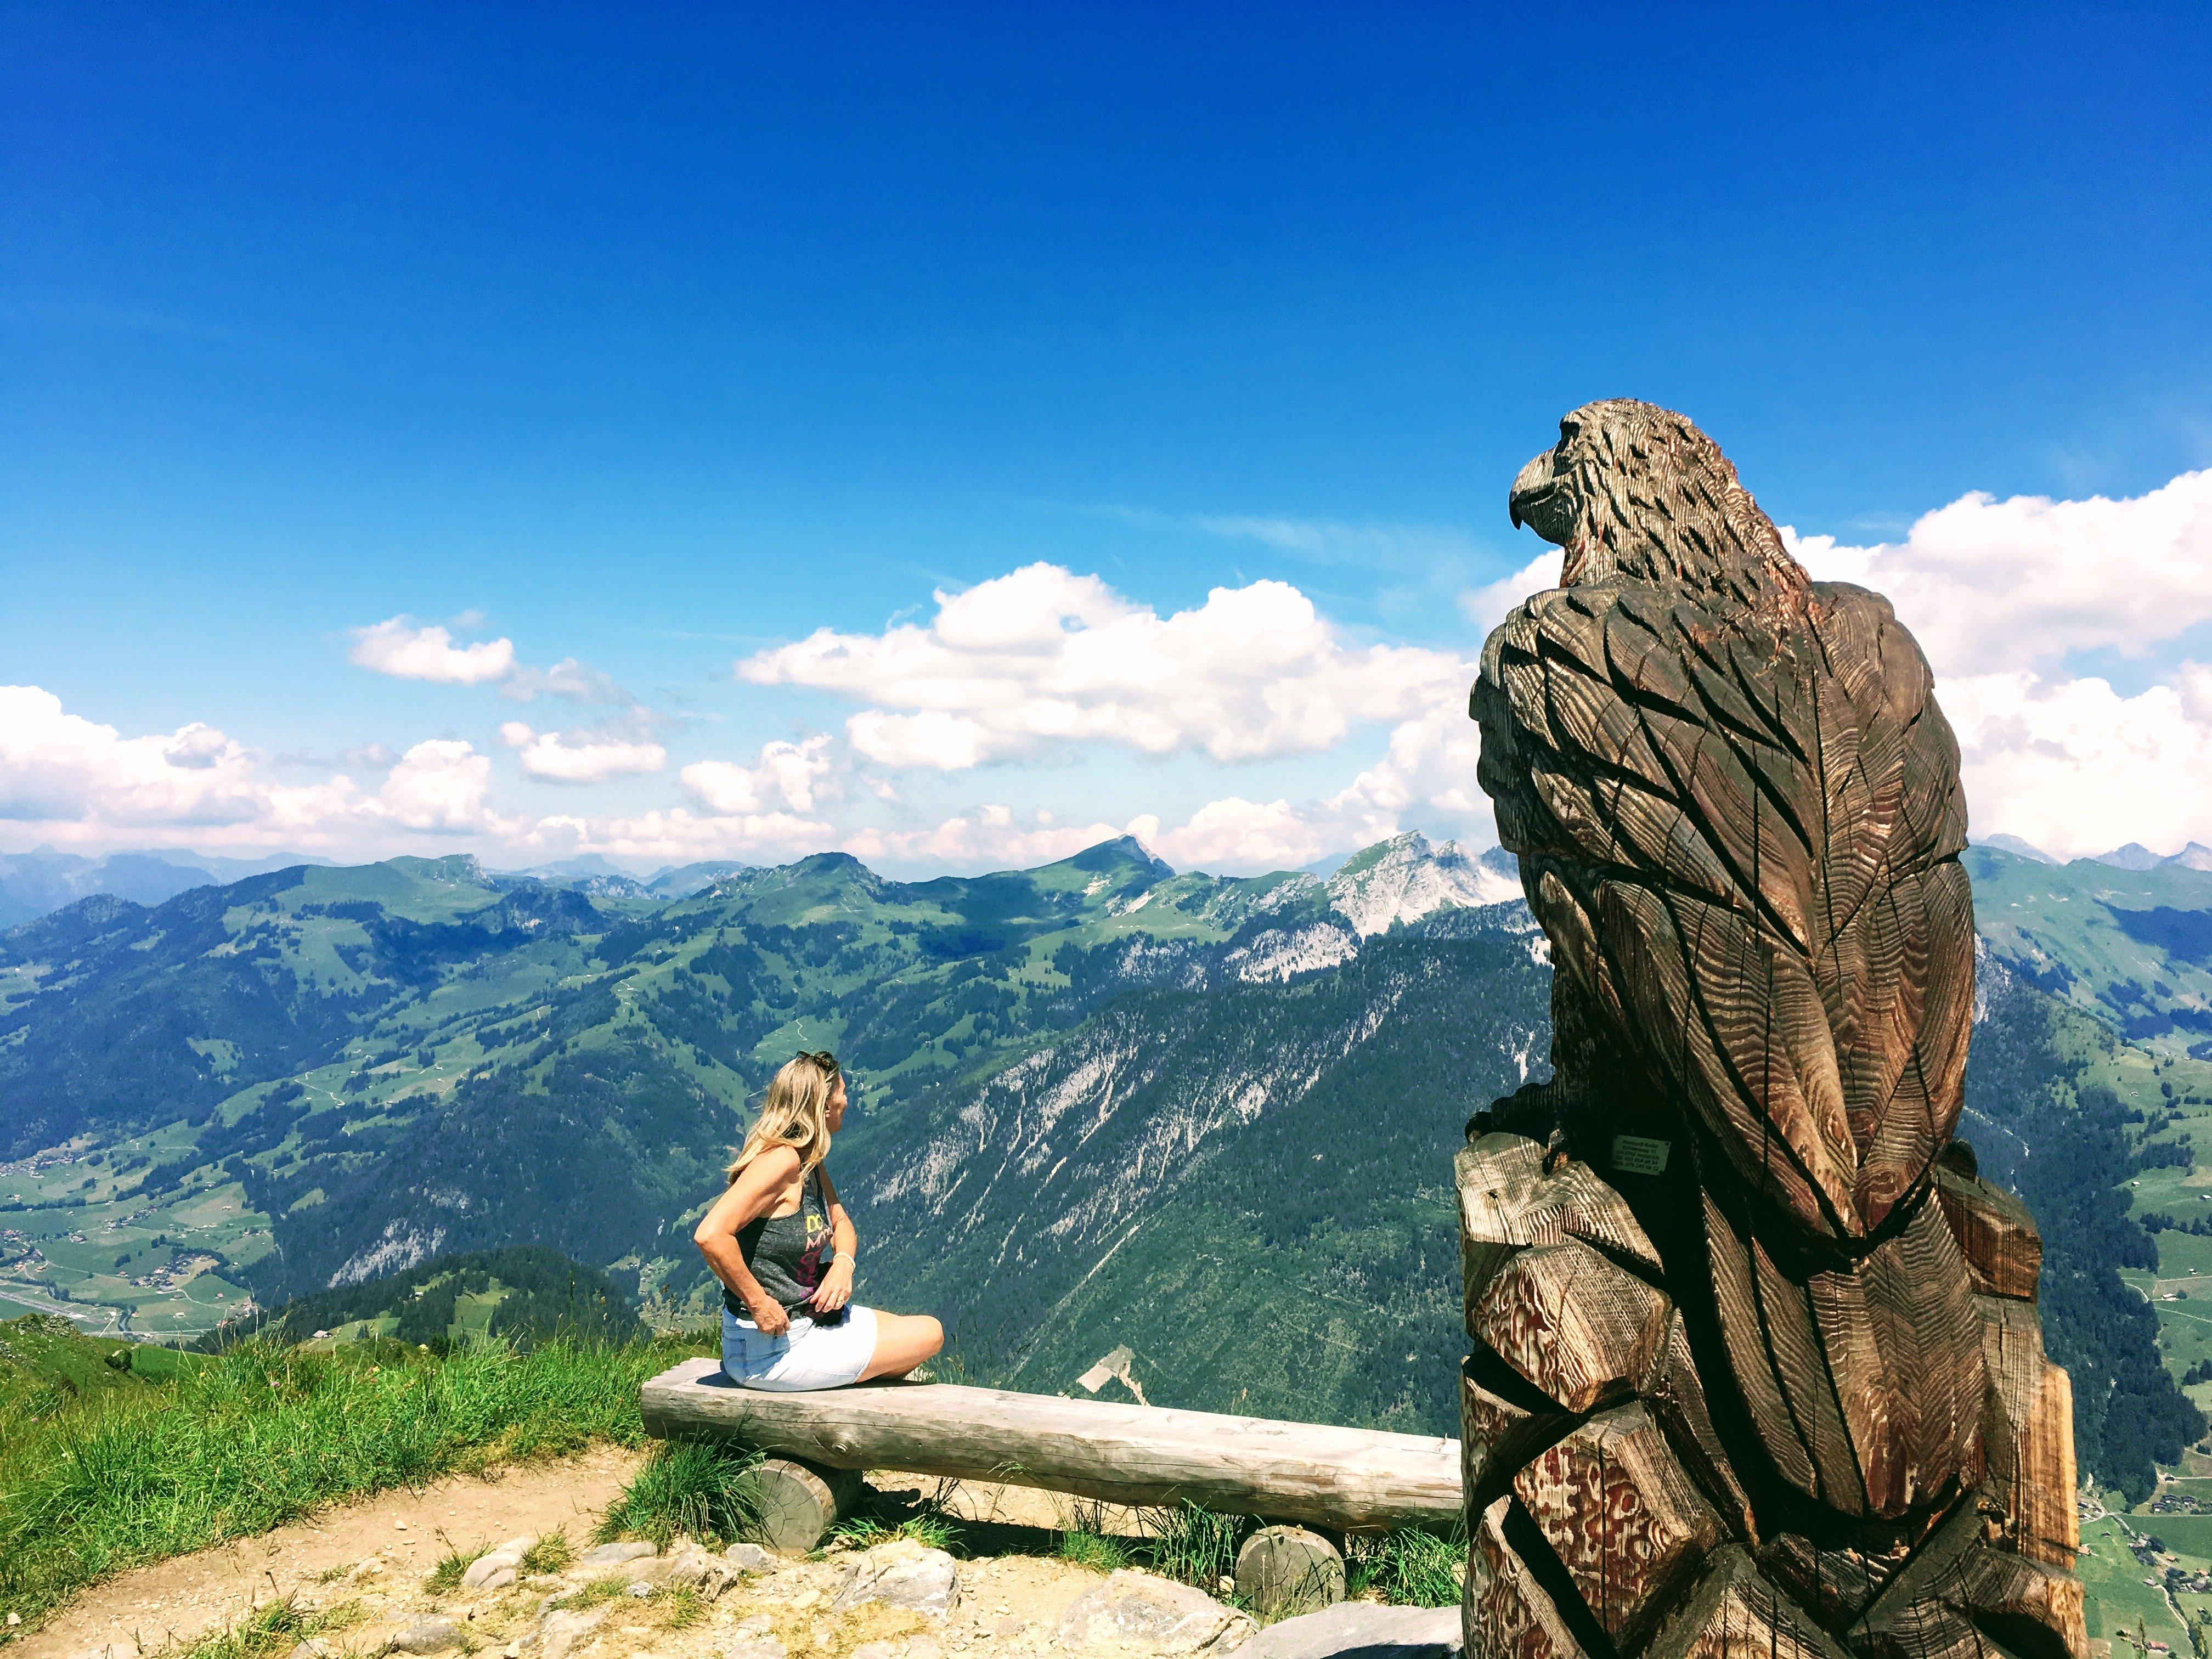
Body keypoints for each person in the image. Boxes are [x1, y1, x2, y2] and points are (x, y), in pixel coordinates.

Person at [693, 1050, 943, 1390]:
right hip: (771, 1350)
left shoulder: (808, 1159)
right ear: (825, 1107)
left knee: (910, 1338)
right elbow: (710, 1235)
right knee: (930, 1334)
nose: (847, 1101)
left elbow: (841, 1222)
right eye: (843, 1092)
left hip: (806, 1325)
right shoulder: (781, 1161)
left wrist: (843, 1264)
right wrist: (759, 1303)